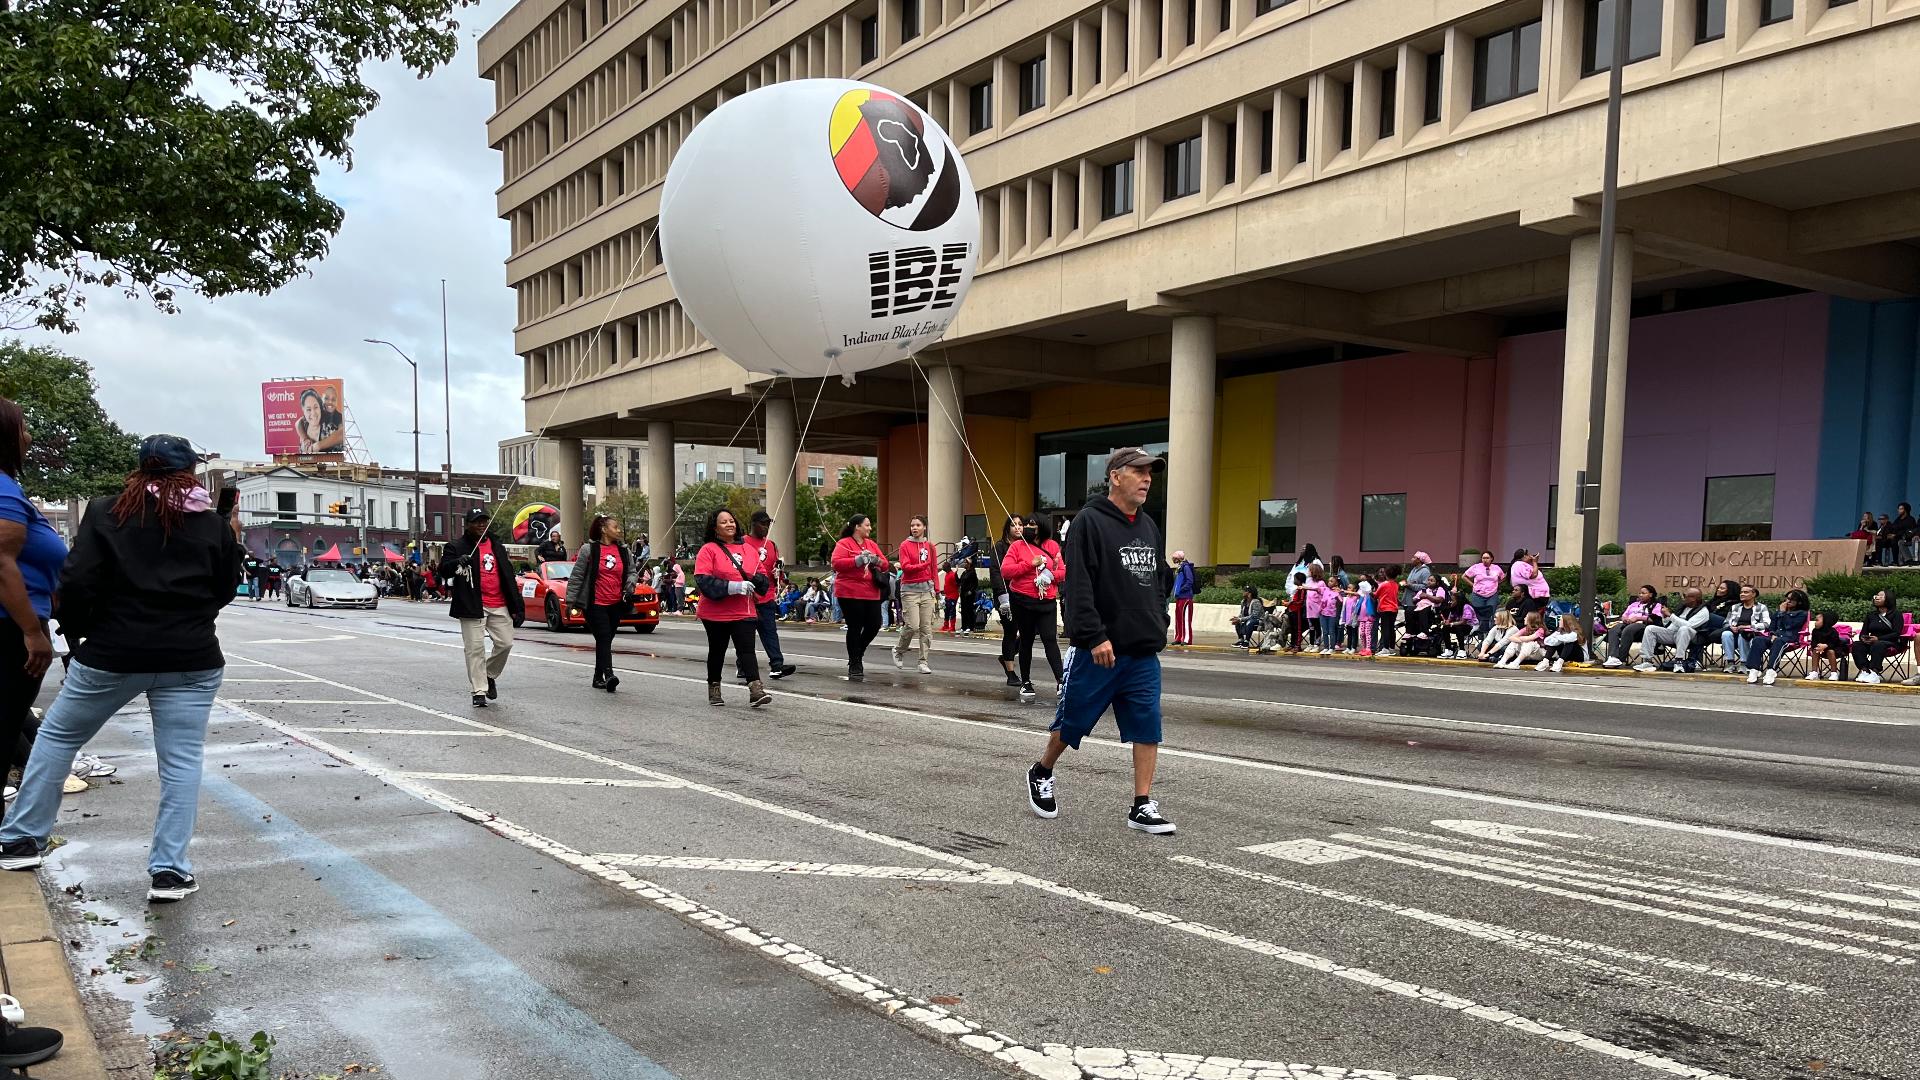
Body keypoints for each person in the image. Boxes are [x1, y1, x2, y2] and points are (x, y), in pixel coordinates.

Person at [0, 434, 241, 904]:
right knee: (181, 761)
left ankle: (22, 839)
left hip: (113, 654)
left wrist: (81, 634)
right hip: (190, 658)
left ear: (141, 470)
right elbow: (226, 587)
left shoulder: (108, 511)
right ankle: (169, 871)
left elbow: (78, 581)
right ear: (189, 472)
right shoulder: (211, 524)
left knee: (59, 737)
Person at [1026, 448, 1176, 835]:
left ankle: (1142, 804)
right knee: (1072, 723)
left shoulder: (1148, 526)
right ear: (1115, 476)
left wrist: (1159, 621)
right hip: (1099, 650)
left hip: (1141, 651)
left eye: (1150, 474)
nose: (1146, 479)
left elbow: (1158, 581)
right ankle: (1042, 771)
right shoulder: (1088, 523)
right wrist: (1094, 636)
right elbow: (1077, 587)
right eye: (1138, 472)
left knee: (1147, 726)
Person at [0, 399, 66, 810]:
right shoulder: (3, 491)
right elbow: (1, 562)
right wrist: (30, 631)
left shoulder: (10, 488)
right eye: (22, 428)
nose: (28, 436)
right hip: (8, 630)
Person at [440, 508, 524, 708]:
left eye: (484, 521)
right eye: (476, 521)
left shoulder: (497, 546)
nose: (481, 525)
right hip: (472, 605)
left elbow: (508, 577)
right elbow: (443, 569)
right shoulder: (456, 546)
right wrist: (457, 562)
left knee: (505, 644)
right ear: (467, 524)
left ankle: (489, 675)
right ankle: (479, 690)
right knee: (475, 649)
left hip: (499, 604)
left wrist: (518, 606)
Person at [694, 508, 770, 707]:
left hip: (743, 611)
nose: (730, 524)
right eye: (724, 522)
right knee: (717, 650)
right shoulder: (708, 550)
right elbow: (703, 581)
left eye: (731, 521)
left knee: (747, 650)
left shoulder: (750, 550)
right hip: (715, 613)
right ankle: (714, 687)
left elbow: (764, 584)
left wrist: (755, 577)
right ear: (715, 528)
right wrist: (734, 586)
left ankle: (756, 689)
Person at [566, 514, 637, 692]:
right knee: (604, 636)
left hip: (615, 604)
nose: (619, 530)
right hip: (595, 604)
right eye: (615, 527)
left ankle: (598, 678)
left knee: (605, 640)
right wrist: (570, 601)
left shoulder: (624, 551)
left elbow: (632, 571)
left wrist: (631, 582)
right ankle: (609, 674)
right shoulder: (588, 550)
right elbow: (577, 576)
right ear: (604, 529)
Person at [1005, 513, 1065, 702]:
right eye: (1026, 524)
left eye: (1032, 524)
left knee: (1050, 639)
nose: (1027, 528)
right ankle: (1026, 681)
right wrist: (1028, 565)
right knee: (1027, 640)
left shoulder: (1052, 546)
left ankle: (1061, 680)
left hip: (1046, 601)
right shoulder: (1017, 546)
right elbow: (1006, 571)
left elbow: (1062, 571)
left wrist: (1049, 575)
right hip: (1022, 601)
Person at [830, 515, 890, 680]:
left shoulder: (871, 544)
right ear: (857, 527)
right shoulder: (844, 543)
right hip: (849, 591)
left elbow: (885, 564)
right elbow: (836, 564)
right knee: (855, 626)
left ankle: (857, 652)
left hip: (871, 591)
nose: (870, 528)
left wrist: (875, 559)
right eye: (867, 525)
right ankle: (855, 662)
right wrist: (857, 560)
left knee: (874, 624)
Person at [742, 511, 796, 680]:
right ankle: (742, 665)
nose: (766, 527)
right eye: (763, 524)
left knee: (770, 632)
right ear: (753, 523)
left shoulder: (771, 545)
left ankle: (777, 665)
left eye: (768, 524)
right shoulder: (742, 542)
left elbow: (776, 572)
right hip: (747, 598)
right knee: (745, 635)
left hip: (766, 597)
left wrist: (778, 573)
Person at [892, 515, 938, 673]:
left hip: (927, 590)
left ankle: (923, 662)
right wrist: (922, 565)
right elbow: (905, 567)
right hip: (910, 590)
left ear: (924, 527)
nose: (915, 528)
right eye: (912, 525)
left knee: (926, 628)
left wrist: (936, 590)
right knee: (912, 626)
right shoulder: (905, 545)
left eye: (918, 525)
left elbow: (933, 570)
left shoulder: (930, 545)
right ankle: (898, 650)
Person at [1637, 588, 1713, 673]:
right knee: (1650, 629)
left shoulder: (1703, 611)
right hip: (1675, 634)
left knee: (1684, 629)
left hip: (1693, 638)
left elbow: (1689, 625)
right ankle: (1647, 661)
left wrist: (1671, 615)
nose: (1682, 598)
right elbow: (1670, 624)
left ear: (1693, 598)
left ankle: (1679, 662)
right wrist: (1665, 617)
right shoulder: (1683, 607)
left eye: (1685, 596)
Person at [1746, 589, 1809, 686]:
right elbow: (1772, 626)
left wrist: (1782, 613)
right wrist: (1772, 634)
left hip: (1790, 639)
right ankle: (1754, 669)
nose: (1787, 601)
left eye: (1791, 599)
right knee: (1758, 640)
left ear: (1799, 602)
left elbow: (1790, 625)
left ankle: (1771, 670)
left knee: (1779, 642)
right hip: (1776, 637)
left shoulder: (1802, 614)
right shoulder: (1779, 612)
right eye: (1787, 598)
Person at [1599, 585, 1666, 668]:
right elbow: (1624, 615)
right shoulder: (1634, 604)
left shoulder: (1656, 605)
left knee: (1628, 629)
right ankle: (1613, 657)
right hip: (1627, 624)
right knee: (1614, 630)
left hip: (1643, 627)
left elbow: (1655, 619)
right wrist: (1625, 618)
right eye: (1640, 593)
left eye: (1643, 593)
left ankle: (1620, 658)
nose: (1640, 595)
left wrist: (1638, 618)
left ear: (1651, 594)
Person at [1850, 589, 1904, 685]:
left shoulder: (1896, 614)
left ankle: (1875, 672)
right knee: (1857, 645)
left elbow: (1896, 633)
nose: (1876, 597)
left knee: (1878, 645)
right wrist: (1864, 638)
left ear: (1889, 599)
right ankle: (1865, 670)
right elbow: (1863, 632)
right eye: (1876, 596)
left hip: (1890, 642)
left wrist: (1878, 639)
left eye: (1881, 596)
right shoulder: (1871, 615)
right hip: (1872, 642)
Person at [1719, 585, 1769, 676]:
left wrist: (1749, 627)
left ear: (1753, 594)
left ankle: (1744, 663)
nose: (1742, 594)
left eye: (1746, 592)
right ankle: (1730, 662)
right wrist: (1731, 627)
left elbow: (1766, 624)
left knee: (1744, 633)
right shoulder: (1735, 607)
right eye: (1741, 592)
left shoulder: (1761, 607)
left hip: (1752, 634)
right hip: (1735, 632)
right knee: (1726, 634)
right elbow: (1726, 622)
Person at [1462, 552, 1504, 631]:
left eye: (1487, 558)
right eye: (1483, 558)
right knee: (1479, 614)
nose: (1485, 560)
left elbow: (1503, 577)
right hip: (1478, 594)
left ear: (1491, 558)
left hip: (1492, 594)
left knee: (1490, 614)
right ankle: (1481, 635)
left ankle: (1490, 633)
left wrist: (1496, 584)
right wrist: (1473, 585)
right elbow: (1464, 576)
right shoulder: (1476, 567)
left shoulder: (1496, 568)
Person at [1806, 608, 1845, 682]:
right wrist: (1818, 646)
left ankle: (1834, 673)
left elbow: (1834, 643)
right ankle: (1814, 672)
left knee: (1830, 651)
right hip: (1820, 650)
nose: (1815, 623)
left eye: (1817, 620)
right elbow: (1813, 643)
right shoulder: (1815, 631)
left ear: (1826, 622)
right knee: (1815, 650)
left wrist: (1825, 646)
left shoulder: (1833, 632)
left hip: (1834, 650)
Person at [1435, 593, 1478, 658]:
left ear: (1459, 601)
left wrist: (1452, 624)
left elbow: (1464, 622)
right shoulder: (1453, 608)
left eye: (1452, 600)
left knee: (1459, 628)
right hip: (1459, 626)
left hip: (1471, 626)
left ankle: (1462, 650)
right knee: (1445, 628)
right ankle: (1449, 650)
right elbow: (1450, 620)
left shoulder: (1466, 607)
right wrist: (1446, 622)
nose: (1450, 602)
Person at [1169, 551, 1196, 646]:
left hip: (1186, 597)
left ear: (1178, 558)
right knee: (1179, 618)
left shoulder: (1186, 567)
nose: (1173, 559)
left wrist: (1181, 590)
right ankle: (1179, 637)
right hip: (1179, 597)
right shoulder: (1180, 568)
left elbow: (1189, 581)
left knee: (1186, 618)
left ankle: (1187, 638)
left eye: (1174, 557)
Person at [1373, 566, 1401, 655]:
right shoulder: (1396, 585)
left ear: (1386, 574)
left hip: (1384, 608)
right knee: (1391, 628)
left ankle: (1385, 648)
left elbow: (1376, 595)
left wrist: (1369, 592)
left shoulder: (1383, 584)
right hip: (1394, 608)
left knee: (1385, 629)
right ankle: (1392, 647)